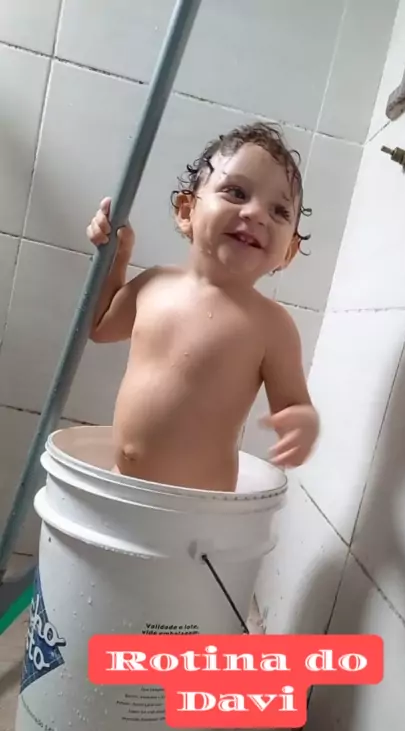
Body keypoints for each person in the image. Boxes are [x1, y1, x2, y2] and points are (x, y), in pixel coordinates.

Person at [86, 121, 319, 492]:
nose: (257, 214)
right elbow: (99, 326)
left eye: (279, 211)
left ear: (288, 252)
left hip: (197, 508)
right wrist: (116, 258)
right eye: (237, 192)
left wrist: (304, 424)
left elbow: (293, 404)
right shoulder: (154, 284)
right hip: (123, 486)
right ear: (186, 211)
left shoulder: (271, 326)